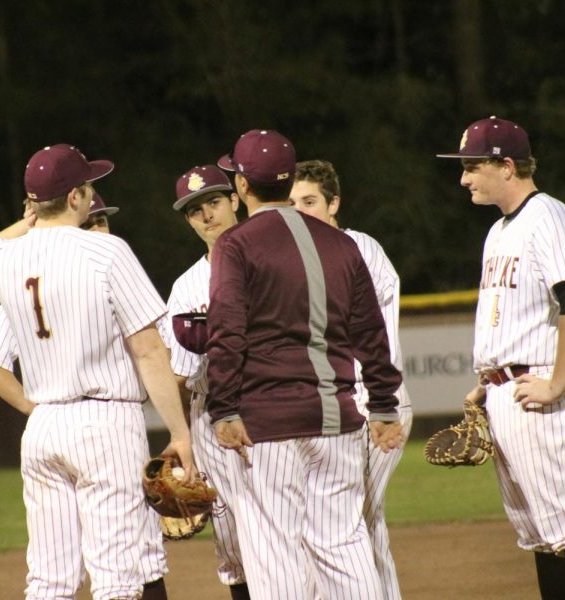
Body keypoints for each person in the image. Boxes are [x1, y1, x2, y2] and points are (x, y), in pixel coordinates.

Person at [0, 143, 194, 600]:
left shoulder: (1, 260)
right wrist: (180, 432)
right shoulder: (106, 251)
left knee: (49, 580)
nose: (93, 195)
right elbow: (149, 350)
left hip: (43, 427)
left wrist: (32, 215)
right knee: (117, 576)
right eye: (88, 187)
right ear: (75, 197)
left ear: (33, 203)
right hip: (104, 424)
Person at [207, 129, 404, 599]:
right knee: (343, 543)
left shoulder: (235, 244)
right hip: (335, 416)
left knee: (276, 555)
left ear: (241, 187)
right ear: (288, 179)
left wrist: (222, 409)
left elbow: (227, 331)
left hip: (266, 421)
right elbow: (370, 333)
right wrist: (382, 405)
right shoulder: (341, 243)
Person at [437, 116, 565, 599]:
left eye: (472, 167)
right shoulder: (499, 231)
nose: (463, 178)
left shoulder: (549, 216)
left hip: (541, 392)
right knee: (540, 535)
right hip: (507, 391)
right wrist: (486, 381)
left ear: (506, 165)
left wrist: (556, 383)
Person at [290, 159, 412, 600]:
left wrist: (382, 406)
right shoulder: (303, 253)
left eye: (310, 201)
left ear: (334, 203)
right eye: (293, 203)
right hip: (336, 405)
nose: (301, 211)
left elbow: (374, 340)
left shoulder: (359, 246)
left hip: (373, 401)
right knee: (352, 519)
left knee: (349, 519)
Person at [159, 164, 249, 599]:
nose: (207, 215)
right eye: (196, 210)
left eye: (214, 201)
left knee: (292, 531)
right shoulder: (185, 286)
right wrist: (179, 440)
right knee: (232, 545)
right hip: (210, 416)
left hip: (273, 407)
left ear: (235, 199)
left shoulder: (269, 257)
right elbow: (177, 374)